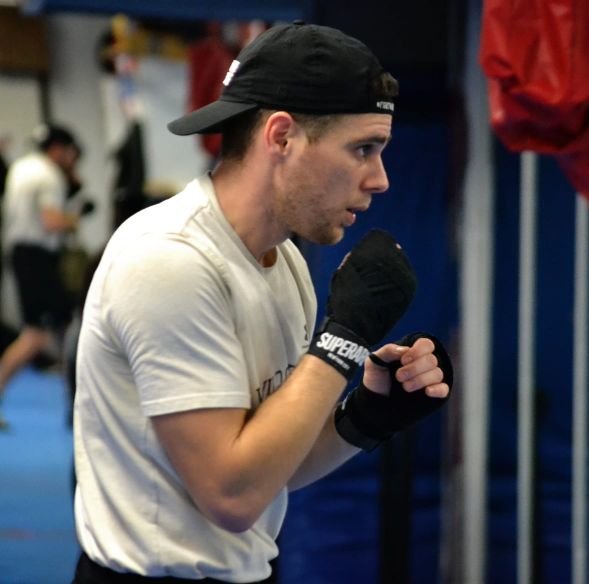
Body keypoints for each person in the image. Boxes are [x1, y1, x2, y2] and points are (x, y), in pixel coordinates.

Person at [71, 22, 452, 583]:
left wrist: (367, 415)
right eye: (363, 149)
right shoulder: (170, 260)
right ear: (281, 136)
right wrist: (342, 342)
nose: (380, 180)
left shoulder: (282, 261)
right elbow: (231, 495)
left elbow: (271, 468)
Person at [0, 123, 88, 429]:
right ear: (57, 150)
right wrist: (74, 220)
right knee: (38, 334)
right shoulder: (49, 175)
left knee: (63, 327)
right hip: (38, 257)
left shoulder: (21, 168)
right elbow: (51, 222)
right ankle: (79, 403)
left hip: (21, 254)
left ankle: (76, 401)